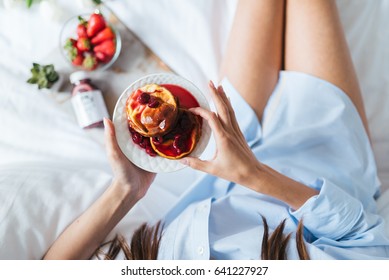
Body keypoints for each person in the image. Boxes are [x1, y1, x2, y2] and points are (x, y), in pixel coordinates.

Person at [44, 0, 389, 260]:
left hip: (225, 150)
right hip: (320, 157)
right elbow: (370, 240)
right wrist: (253, 174)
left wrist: (126, 190)